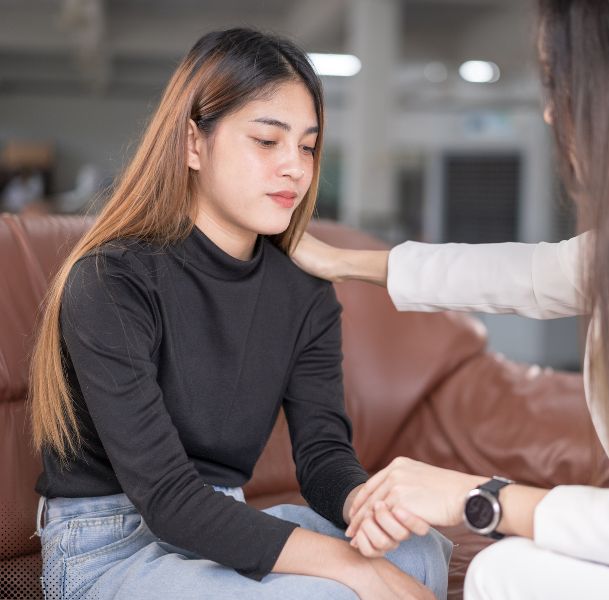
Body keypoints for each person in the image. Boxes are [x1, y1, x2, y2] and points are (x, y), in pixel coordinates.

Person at [290, 1, 609, 598]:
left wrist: (472, 496)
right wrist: (341, 262)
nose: (553, 112)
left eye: (559, 82)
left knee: (503, 573)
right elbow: (535, 274)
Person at [29, 28, 450, 600]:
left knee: (419, 552)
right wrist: (352, 567)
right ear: (193, 145)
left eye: (306, 145)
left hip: (227, 523)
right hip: (111, 545)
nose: (295, 169)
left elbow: (323, 455)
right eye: (267, 141)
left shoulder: (305, 292)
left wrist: (363, 505)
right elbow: (170, 501)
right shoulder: (112, 279)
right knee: (340, 589)